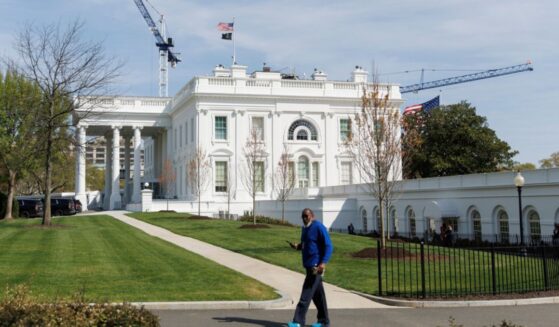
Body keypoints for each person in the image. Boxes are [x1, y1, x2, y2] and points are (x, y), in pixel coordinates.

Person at [287, 208, 333, 327]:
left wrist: (323, 263)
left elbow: (328, 246)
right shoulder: (305, 229)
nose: (304, 218)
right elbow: (307, 244)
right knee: (319, 297)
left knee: (306, 294)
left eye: (306, 216)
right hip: (308, 266)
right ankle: (324, 321)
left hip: (316, 267)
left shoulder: (318, 227)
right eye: (303, 216)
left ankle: (298, 321)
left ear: (312, 216)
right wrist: (298, 246)